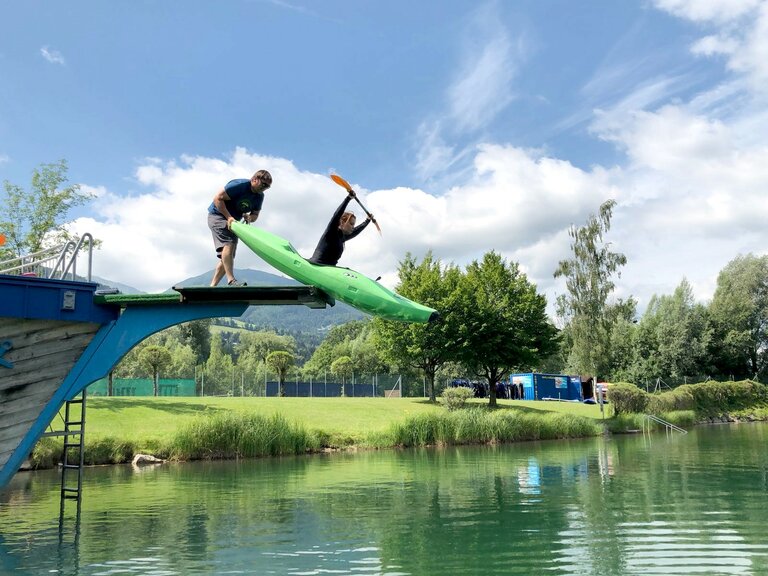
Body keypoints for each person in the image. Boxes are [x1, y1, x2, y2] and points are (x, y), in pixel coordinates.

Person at [208, 169, 272, 287]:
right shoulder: (239, 185)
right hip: (218, 216)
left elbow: (255, 215)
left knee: (229, 255)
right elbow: (217, 198)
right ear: (254, 180)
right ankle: (231, 280)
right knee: (229, 245)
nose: (265, 188)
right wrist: (228, 217)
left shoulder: (259, 196)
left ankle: (212, 286)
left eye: (268, 187)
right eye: (263, 184)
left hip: (234, 222)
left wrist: (249, 218)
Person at [308, 191, 372, 266]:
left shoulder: (342, 237)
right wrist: (348, 199)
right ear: (342, 222)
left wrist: (367, 221)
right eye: (351, 224)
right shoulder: (331, 232)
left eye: (353, 224)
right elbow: (337, 215)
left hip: (330, 268)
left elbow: (356, 231)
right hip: (316, 264)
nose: (353, 227)